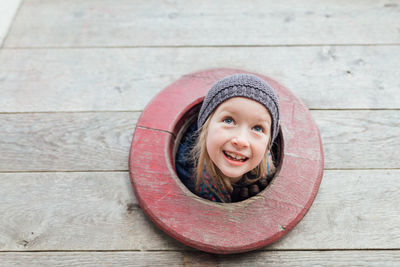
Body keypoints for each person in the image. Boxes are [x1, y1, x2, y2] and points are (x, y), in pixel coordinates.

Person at [190, 73, 281, 203]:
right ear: (206, 128)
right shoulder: (189, 171)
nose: (241, 141)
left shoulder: (267, 170)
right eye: (228, 120)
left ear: (268, 143)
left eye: (257, 128)